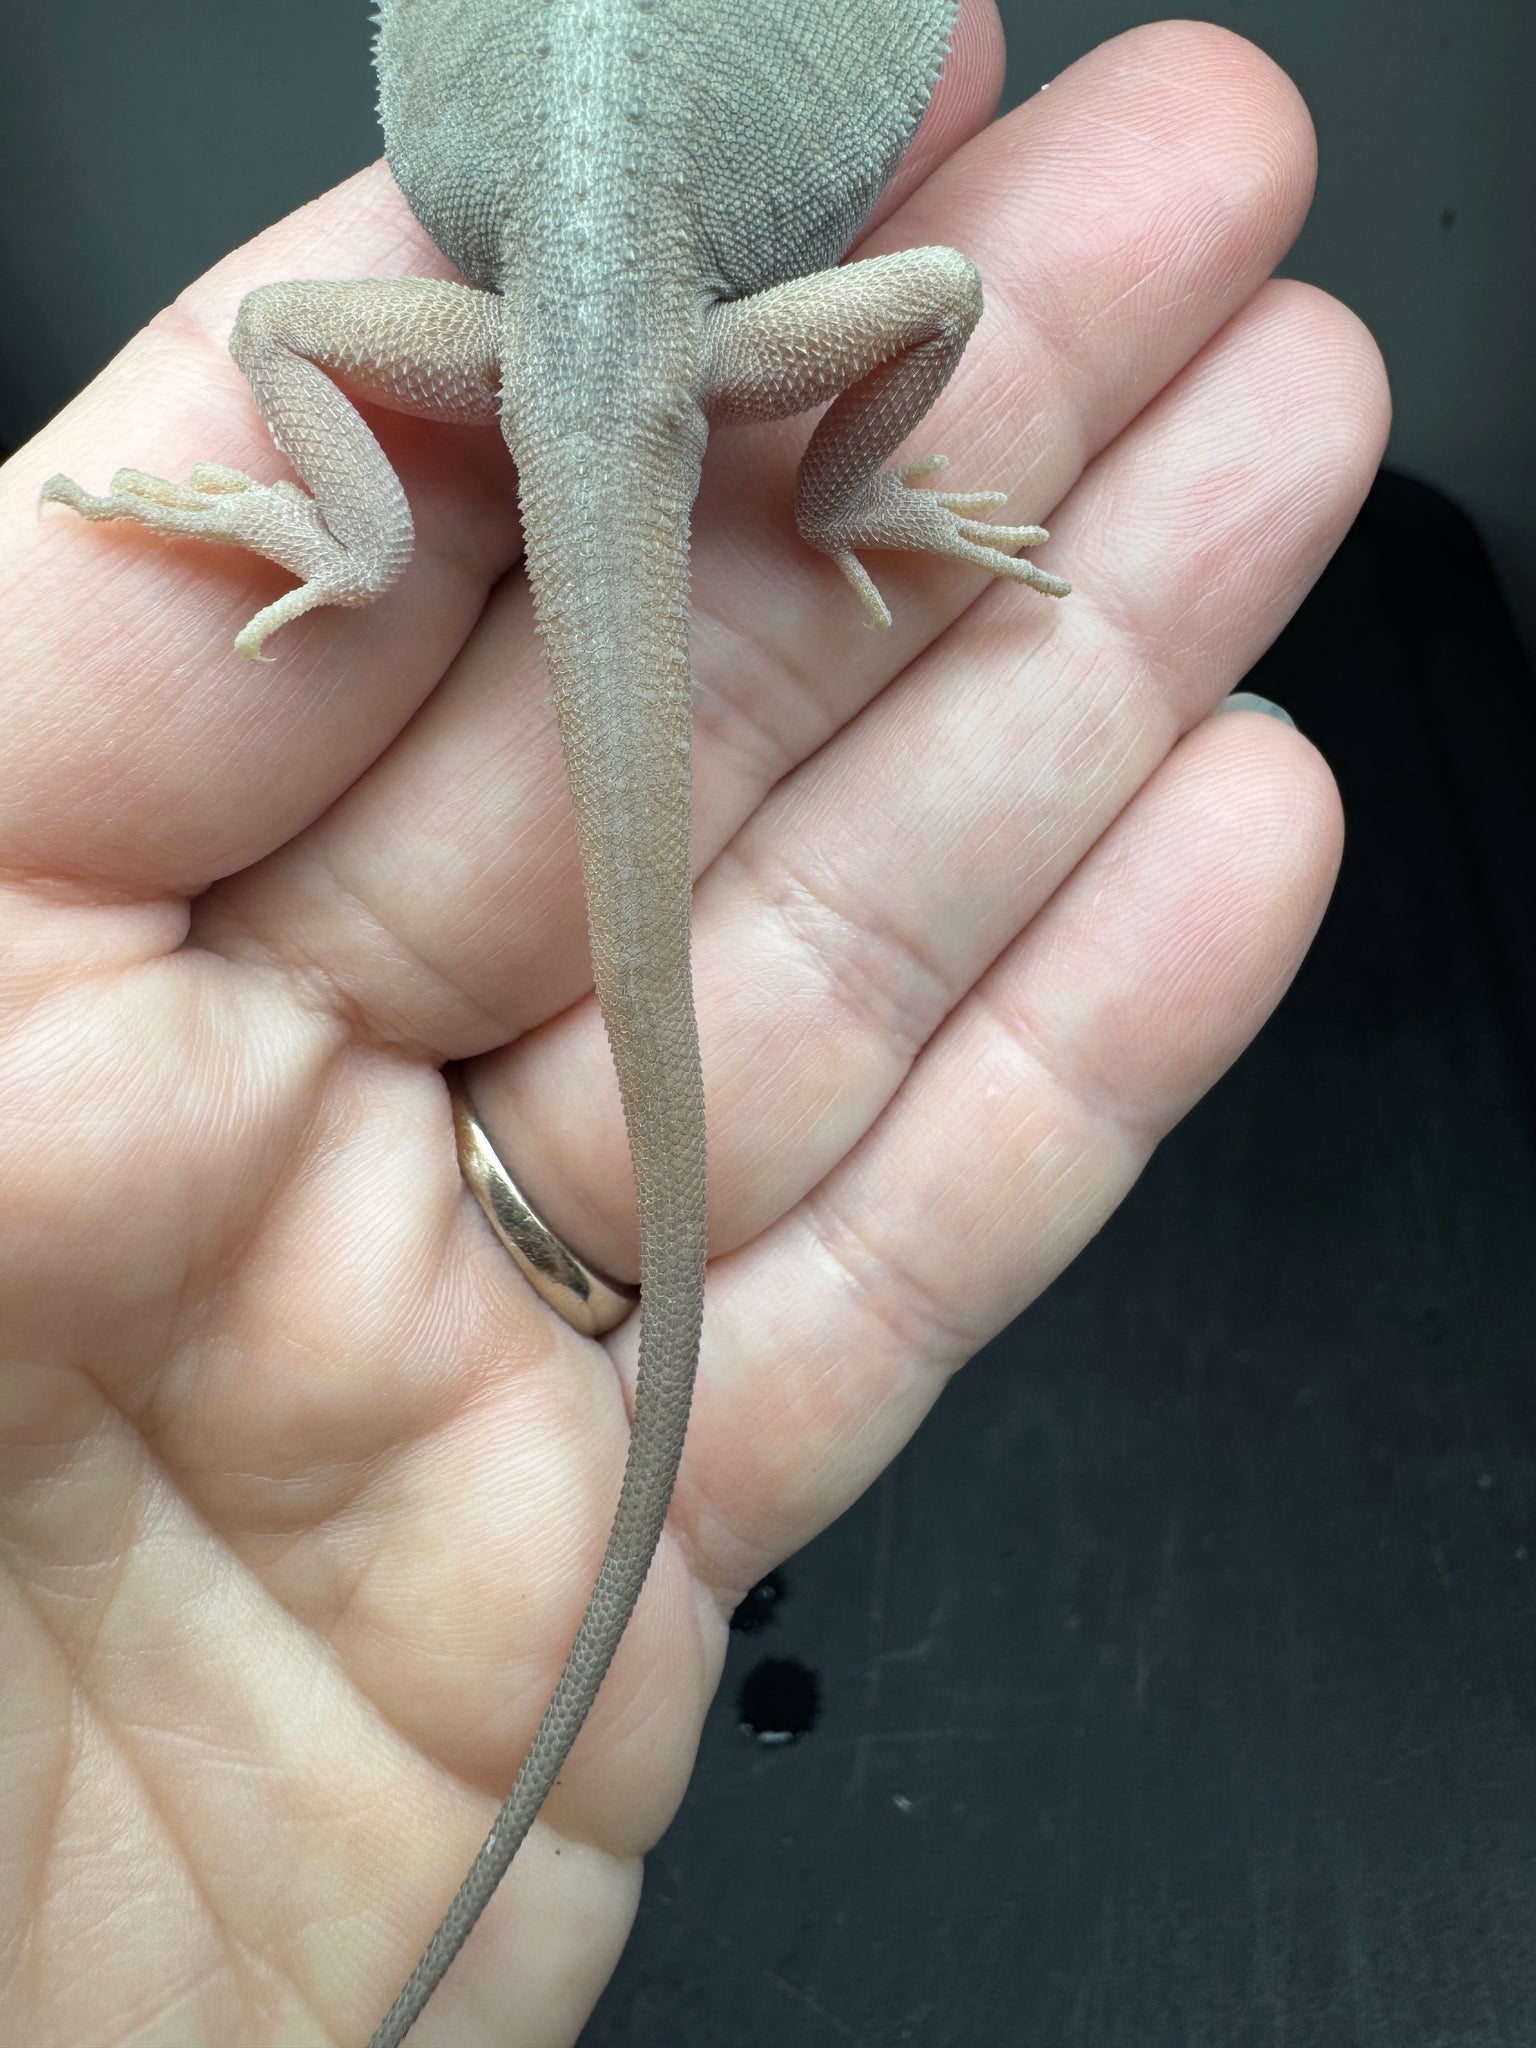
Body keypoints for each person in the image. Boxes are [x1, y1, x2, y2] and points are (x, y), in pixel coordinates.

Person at [0, 14, 1373, 2043]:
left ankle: (359, 538)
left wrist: (363, 538)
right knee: (941, 284)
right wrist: (847, 486)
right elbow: (930, 292)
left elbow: (296, 326)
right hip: (680, 342)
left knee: (300, 324)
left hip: (532, 335)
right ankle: (816, 497)